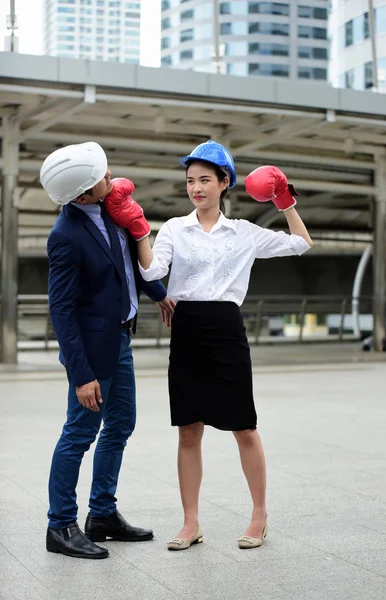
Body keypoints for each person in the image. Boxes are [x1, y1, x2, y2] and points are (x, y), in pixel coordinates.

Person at [103, 140, 313, 551]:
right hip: (187, 329)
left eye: (204, 180)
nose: (196, 188)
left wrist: (284, 200)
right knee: (188, 430)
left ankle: (259, 516)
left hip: (226, 328)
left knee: (244, 427)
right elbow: (152, 269)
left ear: (224, 183)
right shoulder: (175, 230)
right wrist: (139, 227)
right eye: (190, 181)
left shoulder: (244, 233)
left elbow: (301, 243)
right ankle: (190, 523)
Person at [40, 142, 175, 560]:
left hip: (121, 340)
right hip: (93, 352)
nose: (110, 176)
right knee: (79, 434)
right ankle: (60, 525)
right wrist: (81, 375)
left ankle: (102, 515)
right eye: (102, 175)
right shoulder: (65, 236)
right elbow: (61, 310)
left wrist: (157, 293)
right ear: (82, 194)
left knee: (121, 425)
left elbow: (128, 263)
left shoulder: (111, 212)